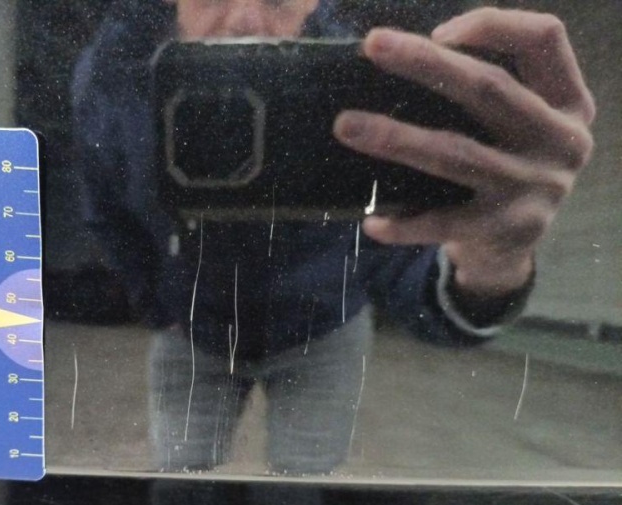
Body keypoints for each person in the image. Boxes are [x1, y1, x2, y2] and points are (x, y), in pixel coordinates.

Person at [72, 0, 595, 474]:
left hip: (322, 331)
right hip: (195, 331)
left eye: (278, 0)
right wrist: (157, 306)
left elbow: (402, 254)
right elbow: (104, 207)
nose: (245, 20)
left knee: (309, 500)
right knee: (181, 490)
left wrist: (492, 260)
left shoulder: (359, 82)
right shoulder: (116, 79)